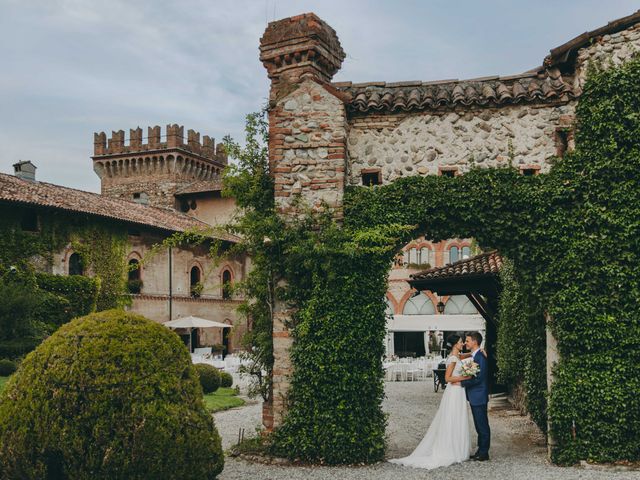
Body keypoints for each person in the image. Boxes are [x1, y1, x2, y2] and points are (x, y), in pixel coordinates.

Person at [389, 334, 472, 469]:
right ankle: (451, 449)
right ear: (456, 344)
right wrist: (465, 377)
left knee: (458, 418)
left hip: (459, 391)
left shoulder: (456, 356)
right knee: (452, 418)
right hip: (455, 391)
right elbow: (447, 378)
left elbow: (462, 357)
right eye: (461, 342)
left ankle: (459, 448)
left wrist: (476, 352)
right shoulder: (452, 358)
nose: (462, 343)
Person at [460, 331, 491, 461]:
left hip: (479, 395)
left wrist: (462, 383)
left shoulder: (480, 357)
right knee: (478, 425)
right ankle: (481, 450)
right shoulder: (476, 355)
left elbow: (478, 379)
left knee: (482, 425)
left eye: (467, 341)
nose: (465, 343)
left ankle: (484, 452)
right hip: (475, 396)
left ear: (474, 341)